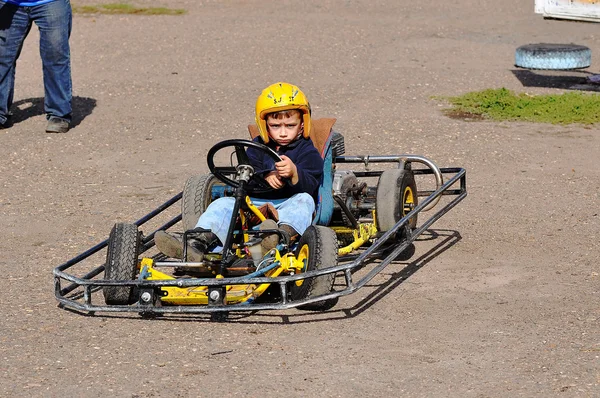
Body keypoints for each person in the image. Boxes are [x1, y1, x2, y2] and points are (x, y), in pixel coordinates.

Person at [155, 82, 324, 261]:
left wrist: (294, 173)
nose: (283, 133)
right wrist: (265, 176)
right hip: (253, 204)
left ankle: (278, 238)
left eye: (289, 126)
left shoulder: (307, 150)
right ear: (264, 125)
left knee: (304, 201)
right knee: (221, 205)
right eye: (276, 126)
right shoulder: (256, 147)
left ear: (302, 125)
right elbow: (246, 177)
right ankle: (196, 244)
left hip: (287, 202)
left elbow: (313, 183)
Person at [0, 0, 72, 133]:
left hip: (51, 3)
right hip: (9, 4)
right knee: (2, 58)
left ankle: (59, 114)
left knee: (55, 57)